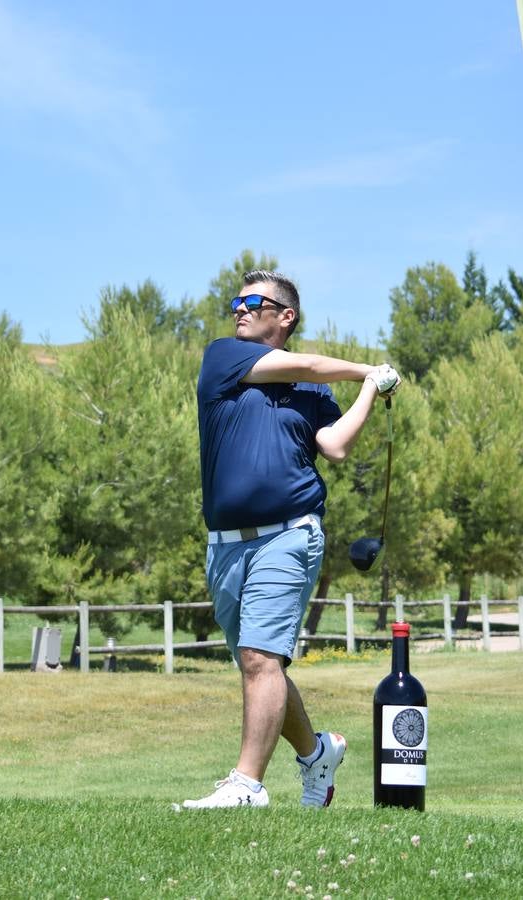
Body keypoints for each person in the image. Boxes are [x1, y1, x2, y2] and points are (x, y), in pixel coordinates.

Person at [182, 270, 400, 809]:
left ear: (285, 316)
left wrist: (369, 391)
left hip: (289, 535)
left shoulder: (311, 391)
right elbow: (308, 364)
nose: (239, 309)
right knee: (261, 664)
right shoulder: (223, 356)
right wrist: (367, 369)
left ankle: (247, 785)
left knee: (260, 657)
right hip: (225, 545)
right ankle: (318, 753)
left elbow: (336, 446)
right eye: (236, 302)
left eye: (253, 302)